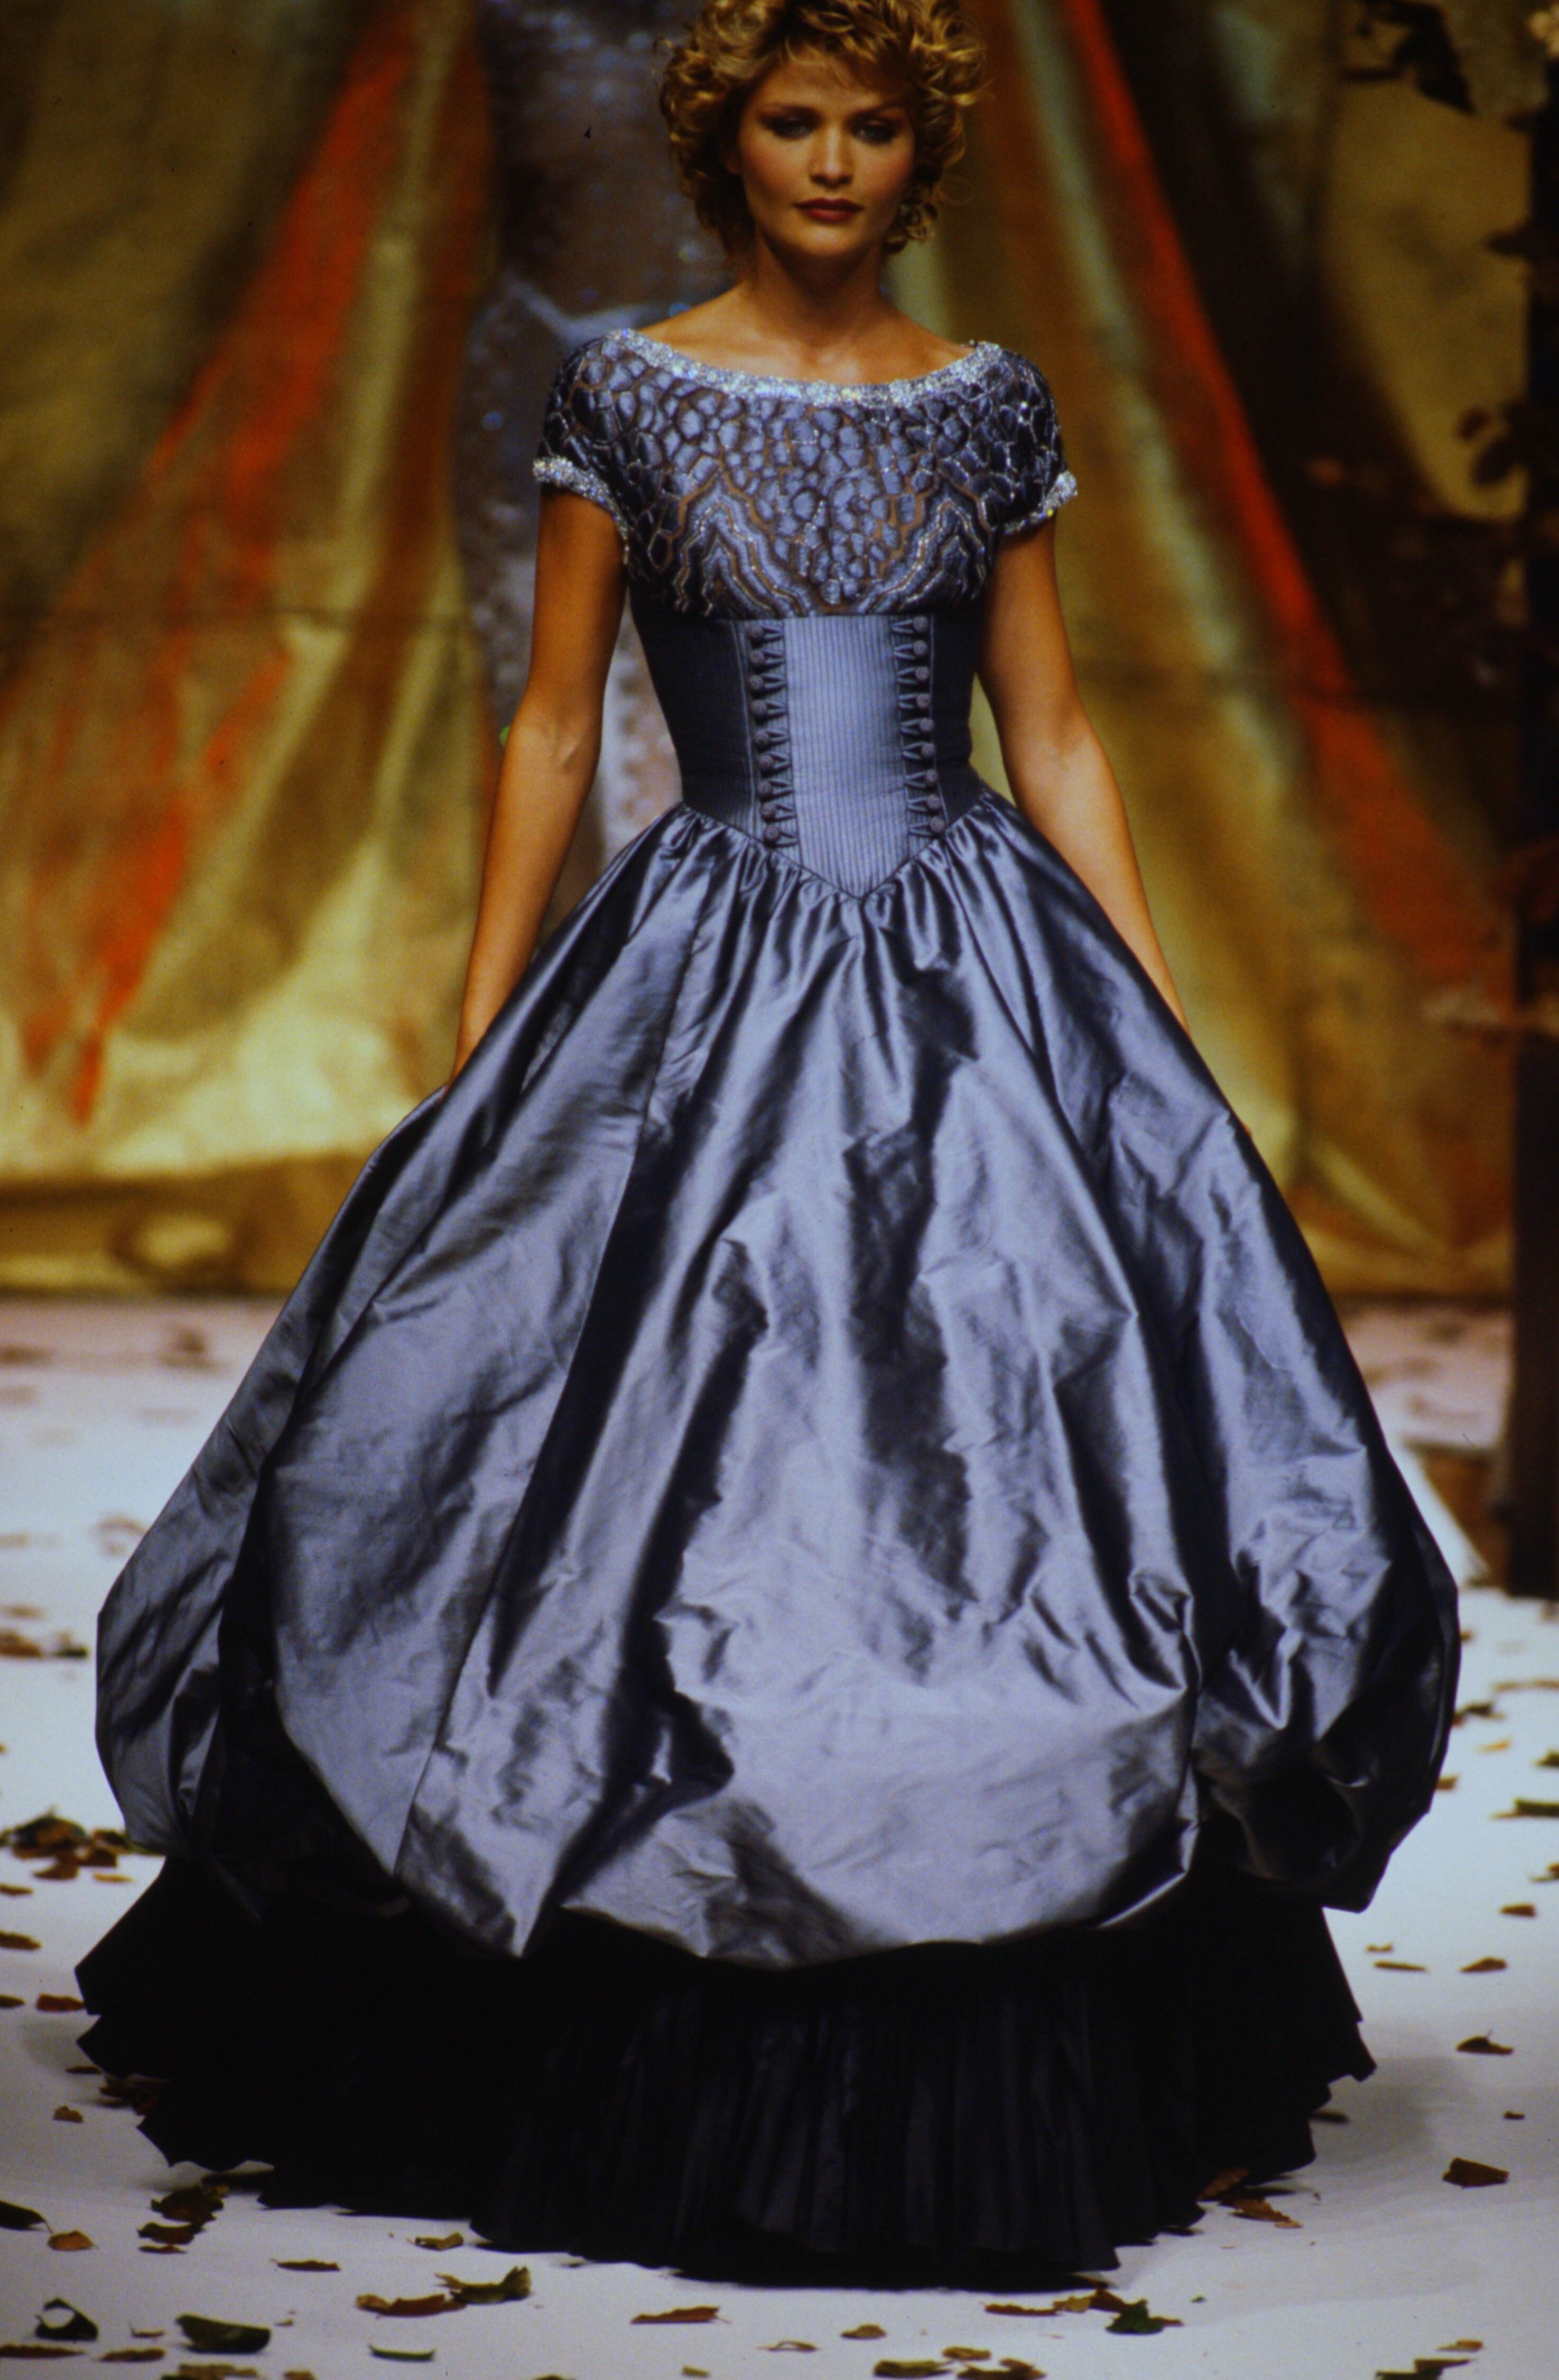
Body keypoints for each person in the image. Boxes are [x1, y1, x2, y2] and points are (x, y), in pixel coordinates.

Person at [80, 0, 1457, 2284]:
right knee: (653, 1421)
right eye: (794, 121)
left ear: (925, 155)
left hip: (973, 961)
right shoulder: (627, 389)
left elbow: (1054, 733)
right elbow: (554, 725)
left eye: (872, 125)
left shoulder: (987, 401)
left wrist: (1149, 1032)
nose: (831, 159)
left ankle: (1002, 1874)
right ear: (725, 144)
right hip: (706, 945)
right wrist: (488, 1035)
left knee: (1004, 1428)